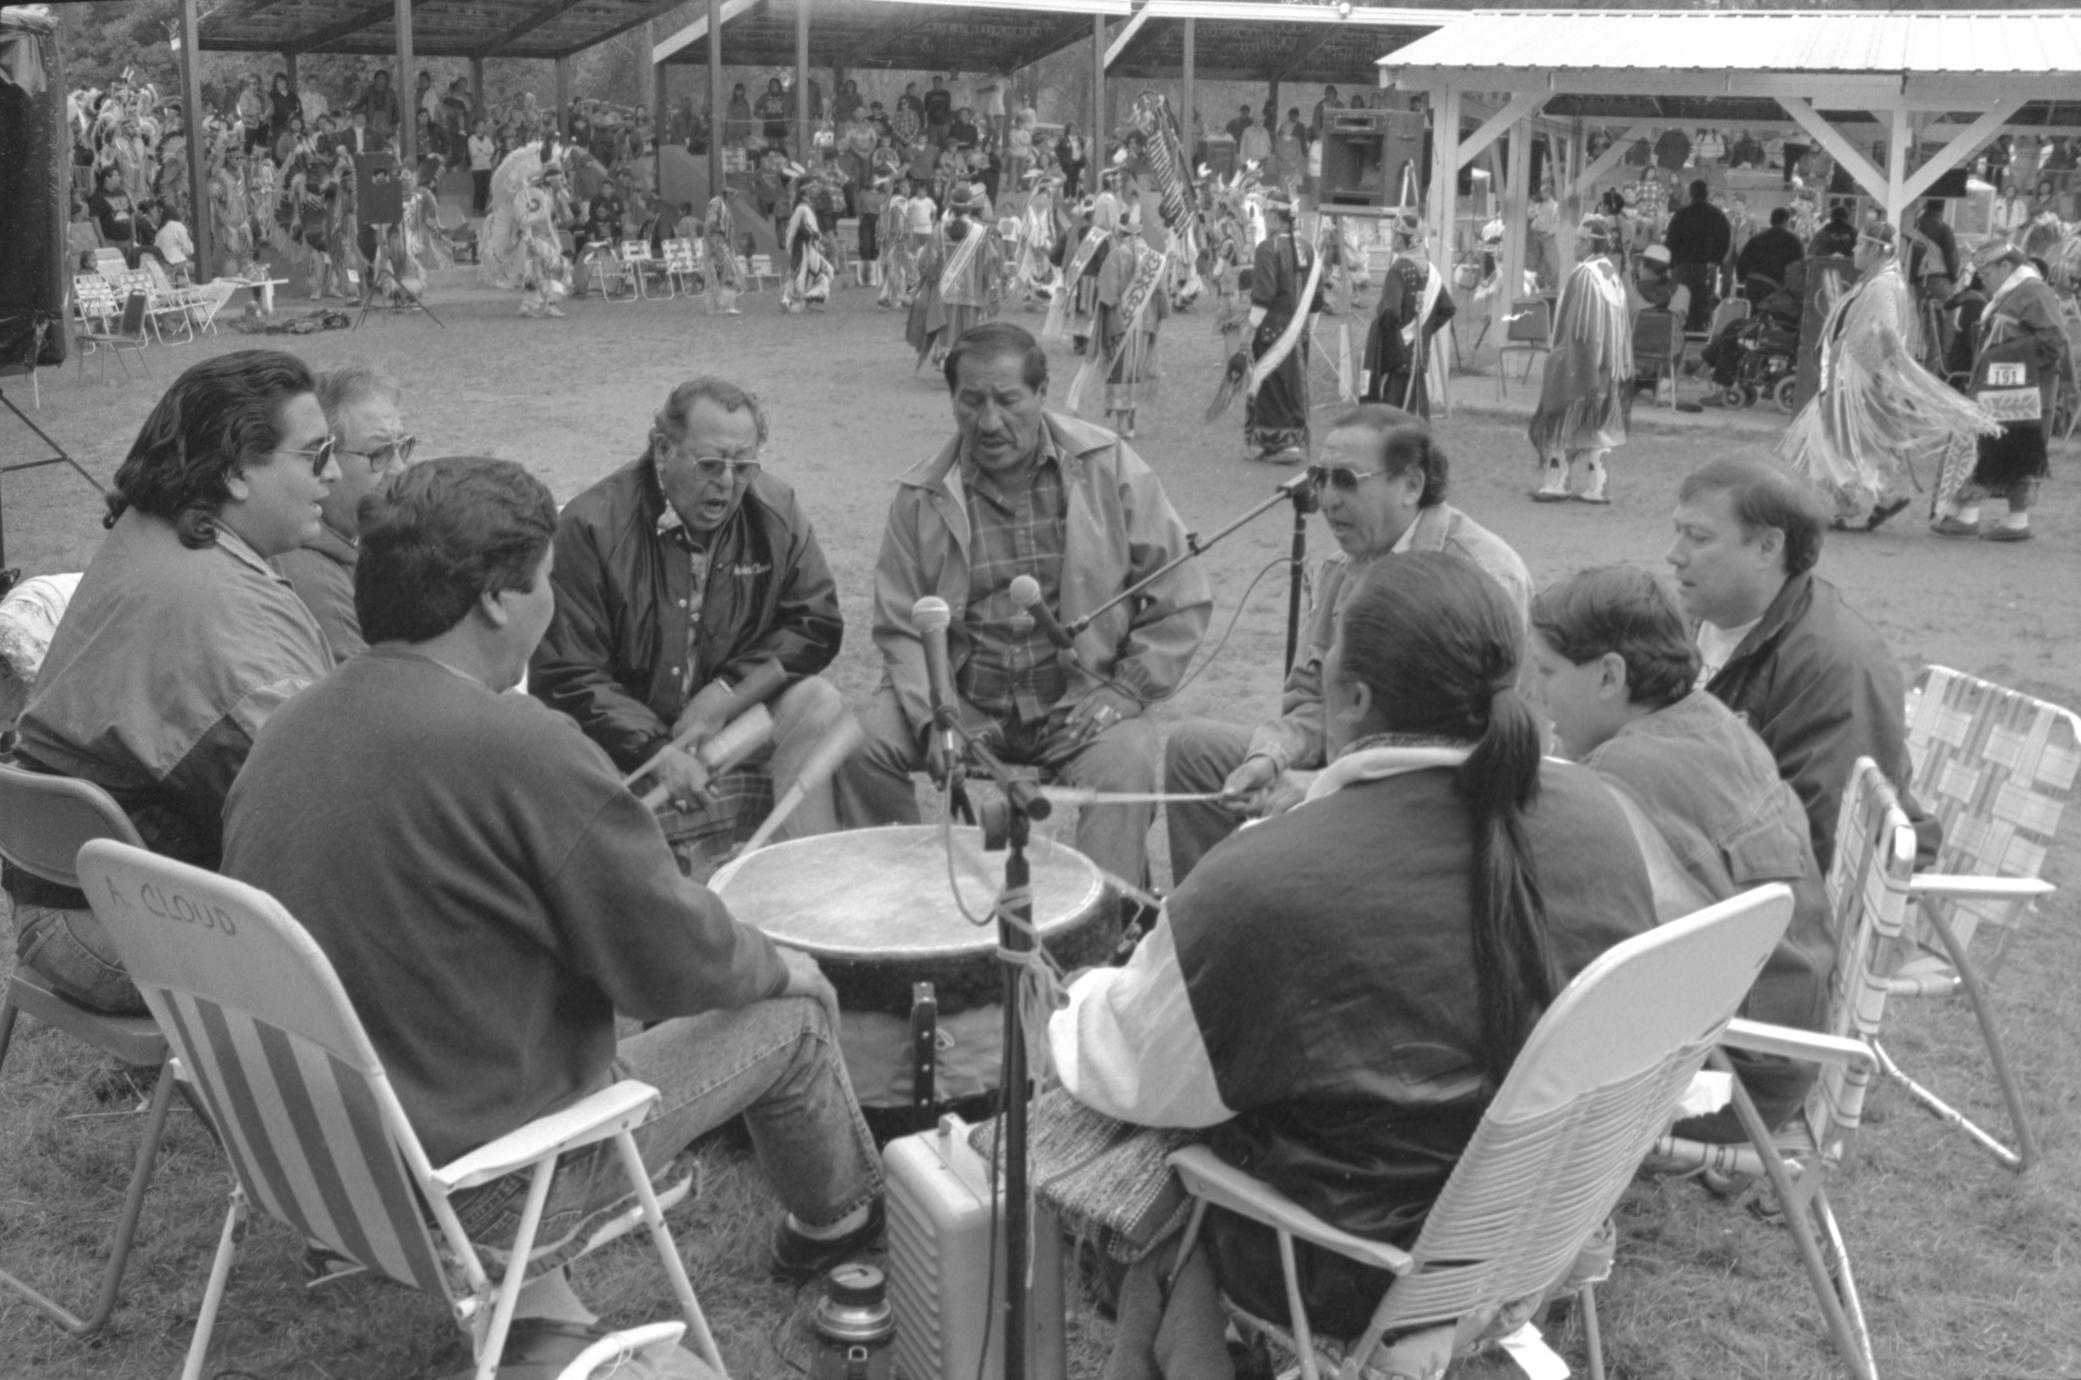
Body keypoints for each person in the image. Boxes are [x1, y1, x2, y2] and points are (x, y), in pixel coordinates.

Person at [222, 456, 883, 1356]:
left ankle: (542, 1314)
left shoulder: (291, 728)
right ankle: (836, 1230)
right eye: (546, 582)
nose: (553, 604)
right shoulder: (519, 744)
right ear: (498, 599)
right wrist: (777, 963)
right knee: (788, 1013)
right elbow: (670, 962)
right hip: (486, 1187)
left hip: (316, 1162)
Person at [1056, 553, 1657, 1377]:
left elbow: (1127, 1071)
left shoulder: (1265, 880)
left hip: (1344, 1266)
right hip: (1534, 1230)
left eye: (1329, 646)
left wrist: (1078, 993)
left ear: (1355, 698)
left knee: (1128, 1132)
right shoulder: (1597, 812)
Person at [837, 322, 1211, 907]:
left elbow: (1179, 590)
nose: (989, 422)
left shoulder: (1108, 468)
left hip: (1080, 708)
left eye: (1008, 400)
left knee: (1124, 765)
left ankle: (1098, 930)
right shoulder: (921, 496)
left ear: (1041, 393)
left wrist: (1126, 689)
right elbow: (902, 625)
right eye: (971, 401)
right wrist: (936, 717)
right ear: (952, 400)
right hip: (964, 704)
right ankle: (912, 905)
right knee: (859, 741)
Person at [7, 351, 336, 1014]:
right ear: (237, 472)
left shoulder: (159, 529)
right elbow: (304, 824)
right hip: (111, 930)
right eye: (316, 454)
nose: (331, 474)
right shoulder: (219, 618)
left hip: (70, 896)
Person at [1527, 566, 1834, 1139]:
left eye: (1546, 672)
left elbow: (1586, 951)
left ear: (1609, 675)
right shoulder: (1711, 721)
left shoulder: (1616, 782)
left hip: (1729, 1080)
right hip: (1789, 1046)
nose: (1537, 694)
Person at [1165, 404, 1531, 881]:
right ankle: (1205, 913)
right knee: (1195, 750)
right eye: (1319, 478)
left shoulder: (1483, 576)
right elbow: (1310, 699)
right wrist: (1271, 755)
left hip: (1438, 789)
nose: (1326, 499)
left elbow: (1477, 744)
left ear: (1411, 485)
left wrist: (1328, 787)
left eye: (1345, 480)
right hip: (1351, 760)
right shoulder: (1342, 569)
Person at [531, 379, 845, 862]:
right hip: (622, 746)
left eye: (744, 466)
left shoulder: (775, 511)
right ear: (663, 449)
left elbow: (815, 621)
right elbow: (568, 673)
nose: (728, 483)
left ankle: (800, 874)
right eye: (710, 464)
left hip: (724, 730)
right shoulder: (593, 524)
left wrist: (728, 690)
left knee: (818, 703)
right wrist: (657, 749)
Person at [1667, 458, 1937, 871]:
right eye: (1677, 532)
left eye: (1699, 538)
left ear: (1767, 547)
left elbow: (1820, 842)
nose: (1674, 555)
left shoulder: (1835, 665)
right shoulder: (1685, 626)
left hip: (1776, 892)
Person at [1779, 220, 1993, 532]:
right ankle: (1872, 499)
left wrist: (1865, 372)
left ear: (1875, 250)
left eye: (1859, 244)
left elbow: (1887, 334)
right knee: (1833, 437)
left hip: (1857, 376)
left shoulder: (1883, 285)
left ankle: (1858, 501)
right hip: (1850, 371)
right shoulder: (1877, 281)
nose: (1853, 249)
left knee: (1832, 437)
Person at [1931, 241, 2072, 543]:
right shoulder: (2010, 293)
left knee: (2017, 452)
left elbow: (2054, 341)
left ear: (2006, 266)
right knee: (1986, 448)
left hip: (2027, 394)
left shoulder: (2034, 292)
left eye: (1986, 273)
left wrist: (2005, 355)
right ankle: (1970, 515)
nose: (1983, 280)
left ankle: (2014, 521)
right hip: (2001, 389)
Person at [273, 367, 412, 662]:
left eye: (402, 446)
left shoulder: (350, 537)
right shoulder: (317, 580)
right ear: (324, 459)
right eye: (380, 453)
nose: (400, 469)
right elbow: (365, 685)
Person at [1530, 214, 1631, 504]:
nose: (1574, 245)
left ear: (1588, 243)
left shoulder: (1585, 275)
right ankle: (1598, 487)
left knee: (1561, 420)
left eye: (1578, 240)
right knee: (1598, 430)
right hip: (1608, 365)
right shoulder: (1610, 274)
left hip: (1582, 362)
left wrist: (1562, 359)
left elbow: (1580, 327)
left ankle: (1557, 483)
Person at [1241, 189, 1322, 465]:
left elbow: (1263, 295)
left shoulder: (1268, 248)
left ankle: (1279, 445)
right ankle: (1287, 442)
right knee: (1291, 386)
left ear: (1275, 218)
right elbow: (1317, 299)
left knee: (1271, 386)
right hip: (1299, 333)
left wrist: (1250, 330)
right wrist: (1309, 329)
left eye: (1267, 215)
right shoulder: (1309, 249)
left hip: (1272, 331)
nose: (1265, 220)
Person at [1360, 210, 1454, 417]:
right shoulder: (1431, 271)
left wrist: (1389, 344)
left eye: (1396, 235)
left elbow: (1390, 312)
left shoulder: (1399, 269)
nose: (1392, 239)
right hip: (1418, 357)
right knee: (1415, 415)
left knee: (1392, 418)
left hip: (1396, 358)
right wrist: (1424, 332)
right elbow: (1447, 308)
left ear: (1406, 241)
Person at [1088, 205, 1169, 439]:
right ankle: (1130, 420)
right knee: (1135, 370)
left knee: (1119, 370)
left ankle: (1123, 421)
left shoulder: (1116, 256)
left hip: (1120, 323)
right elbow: (1162, 293)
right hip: (1146, 323)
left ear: (1120, 231)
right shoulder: (1155, 258)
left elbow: (1107, 293)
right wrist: (1162, 313)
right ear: (1140, 231)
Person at [906, 182, 1000, 372]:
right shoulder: (981, 232)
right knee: (968, 329)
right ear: (970, 206)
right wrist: (990, 286)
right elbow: (990, 261)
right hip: (972, 293)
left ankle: (945, 359)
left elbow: (926, 261)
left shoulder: (939, 230)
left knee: (946, 329)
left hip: (944, 292)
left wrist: (928, 278)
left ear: (951, 205)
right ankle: (965, 361)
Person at [1663, 179, 1730, 333]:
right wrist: (1716, 260)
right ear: (1707, 194)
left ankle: (1683, 327)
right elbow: (1724, 240)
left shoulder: (1681, 214)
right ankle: (1701, 327)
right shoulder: (1717, 215)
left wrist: (1672, 264)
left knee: (1683, 297)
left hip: (1683, 265)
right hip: (1706, 265)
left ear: (1691, 193)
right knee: (1703, 297)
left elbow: (1671, 240)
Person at [1732, 204, 1804, 299]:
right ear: (1785, 221)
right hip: (1775, 289)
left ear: (1771, 221)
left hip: (1752, 284)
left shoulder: (1756, 239)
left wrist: (1741, 281)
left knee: (1752, 308)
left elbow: (1742, 262)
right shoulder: (1793, 240)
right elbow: (1799, 266)